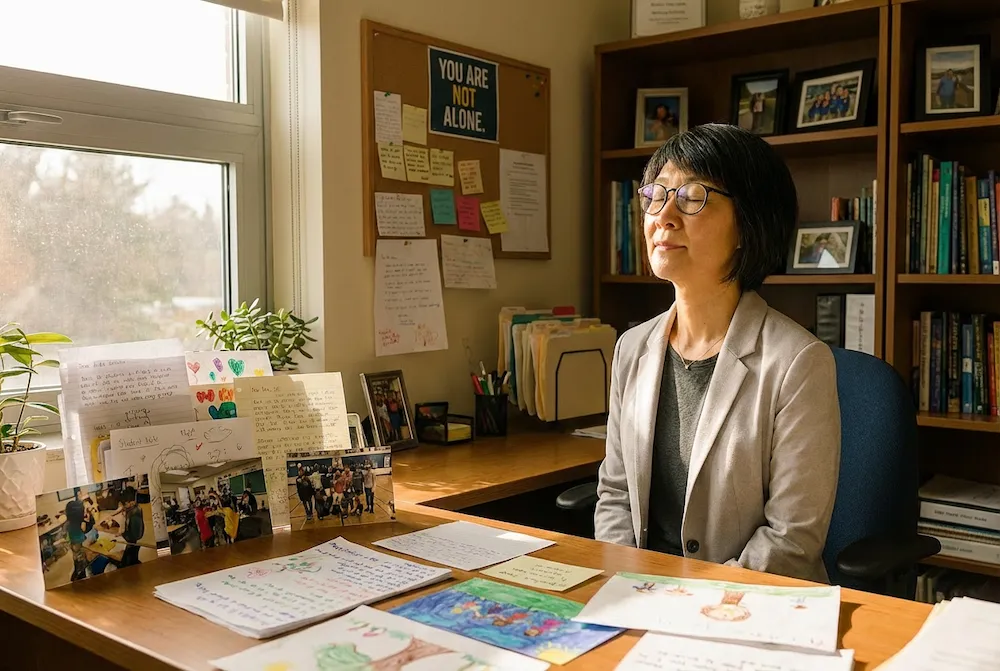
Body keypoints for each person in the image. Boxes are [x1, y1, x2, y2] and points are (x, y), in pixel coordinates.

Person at [594, 124, 840, 583]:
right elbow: (615, 495)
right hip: (638, 596)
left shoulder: (799, 362)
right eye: (656, 195)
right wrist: (628, 583)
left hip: (743, 608)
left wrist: (689, 601)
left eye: (691, 197)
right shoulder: (632, 348)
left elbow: (791, 540)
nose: (663, 215)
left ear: (749, 224)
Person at [64, 489, 90, 581]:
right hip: (79, 542)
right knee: (81, 558)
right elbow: (84, 530)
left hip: (73, 542)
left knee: (75, 557)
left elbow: (66, 533)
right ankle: (80, 575)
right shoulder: (80, 523)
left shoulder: (69, 523)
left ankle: (76, 572)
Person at [119, 486, 144, 567]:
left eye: (125, 504)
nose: (124, 507)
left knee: (128, 557)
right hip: (131, 537)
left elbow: (136, 534)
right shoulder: (132, 508)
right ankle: (133, 561)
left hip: (133, 538)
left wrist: (123, 534)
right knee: (131, 553)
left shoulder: (135, 514)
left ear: (131, 502)